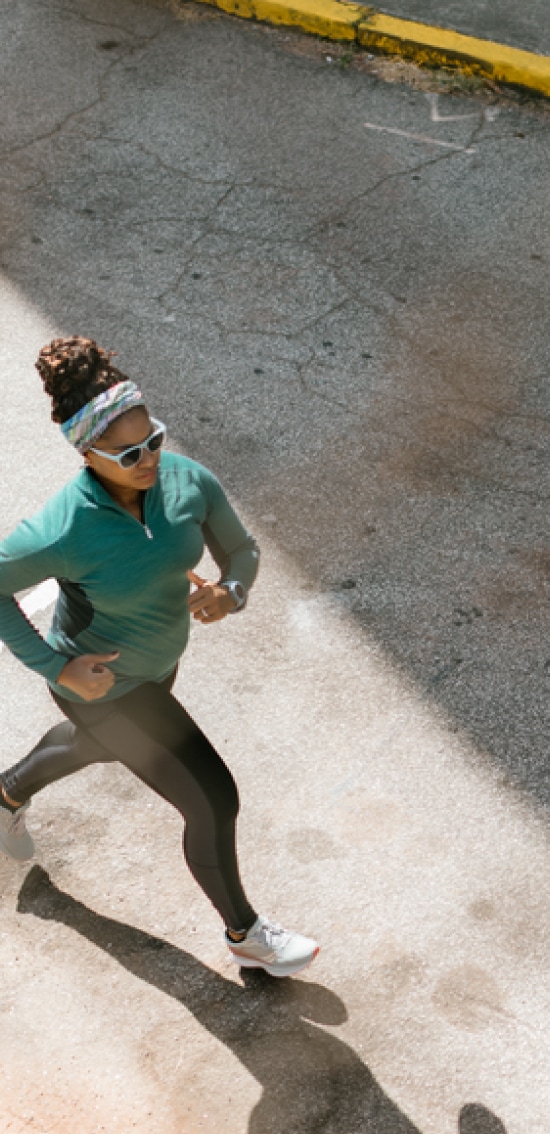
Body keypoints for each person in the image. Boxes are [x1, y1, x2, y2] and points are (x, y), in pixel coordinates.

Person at [0, 336, 319, 976]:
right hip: (105, 683)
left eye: (154, 441)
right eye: (126, 453)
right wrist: (56, 667)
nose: (148, 460)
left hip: (158, 663)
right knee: (211, 799)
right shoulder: (63, 529)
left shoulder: (186, 481)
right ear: (87, 454)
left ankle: (6, 794)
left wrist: (231, 592)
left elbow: (243, 551)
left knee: (96, 746)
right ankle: (246, 936)